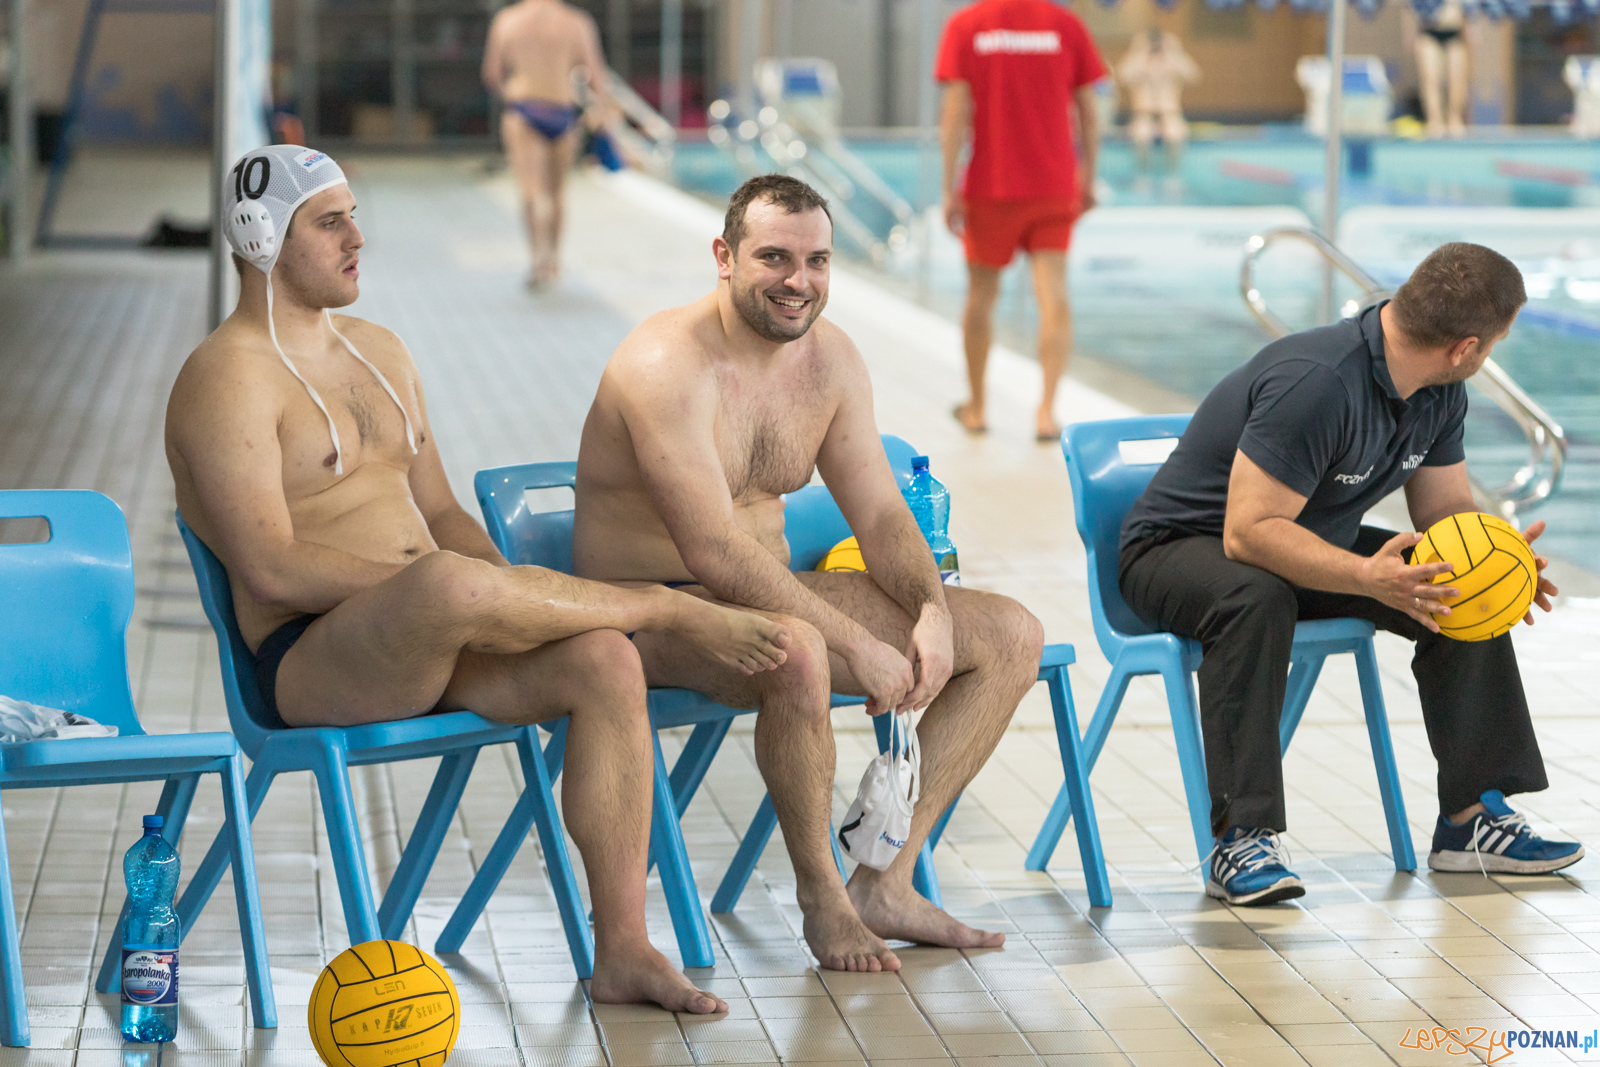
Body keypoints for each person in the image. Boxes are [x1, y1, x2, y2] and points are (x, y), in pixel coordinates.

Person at [169, 144, 796, 1013]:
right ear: (262, 236)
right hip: (313, 661)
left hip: (441, 627)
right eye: (330, 222)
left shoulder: (381, 350)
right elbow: (270, 569)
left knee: (606, 660)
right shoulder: (224, 378)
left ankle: (621, 946)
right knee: (449, 585)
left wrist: (518, 600)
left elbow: (447, 517)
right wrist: (457, 589)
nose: (358, 237)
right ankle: (666, 610)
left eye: (355, 213)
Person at [572, 174, 1046, 972]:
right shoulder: (665, 362)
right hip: (653, 613)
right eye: (774, 258)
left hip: (765, 593)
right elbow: (713, 552)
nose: (800, 281)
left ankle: (884, 882)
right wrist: (858, 642)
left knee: (1008, 634)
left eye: (817, 260)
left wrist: (930, 607)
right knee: (801, 650)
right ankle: (822, 899)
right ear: (723, 257)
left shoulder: (829, 361)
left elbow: (886, 515)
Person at [1118, 243, 1583, 907]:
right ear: (1466, 346)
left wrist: (1500, 562)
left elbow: (1445, 513)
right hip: (1174, 550)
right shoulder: (1320, 383)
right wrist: (1367, 577)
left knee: (1457, 578)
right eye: (1495, 344)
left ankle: (1470, 819)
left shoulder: (1439, 389)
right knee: (1255, 595)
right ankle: (1242, 837)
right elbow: (1246, 532)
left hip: (1300, 544)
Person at [936, 0, 1107, 443]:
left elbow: (955, 112)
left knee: (980, 297)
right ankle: (1047, 412)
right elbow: (1089, 109)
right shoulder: (1065, 25)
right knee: (1054, 295)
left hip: (991, 184)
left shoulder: (967, 25)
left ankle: (976, 408)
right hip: (1053, 183)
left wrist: (948, 184)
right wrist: (1088, 175)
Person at [482, 0, 614, 287]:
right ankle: (553, 260)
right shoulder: (577, 22)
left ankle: (537, 260)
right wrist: (601, 113)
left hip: (523, 109)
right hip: (562, 110)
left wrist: (513, 95)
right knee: (556, 193)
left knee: (530, 191)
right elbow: (596, 75)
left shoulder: (508, 20)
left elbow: (492, 73)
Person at [1117, 29, 1199, 172]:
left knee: (1175, 135)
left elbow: (1193, 75)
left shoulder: (1174, 63)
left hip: (1170, 113)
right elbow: (1122, 77)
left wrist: (1174, 51)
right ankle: (1142, 172)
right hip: (1144, 113)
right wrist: (1139, 51)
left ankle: (1173, 172)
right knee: (1141, 136)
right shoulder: (1138, 64)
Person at [1415, 0, 1468, 139]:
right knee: (1430, 79)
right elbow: (1409, 8)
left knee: (1456, 79)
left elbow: (1470, 10)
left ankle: (1454, 119)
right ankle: (1434, 121)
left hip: (1454, 31)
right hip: (1428, 31)